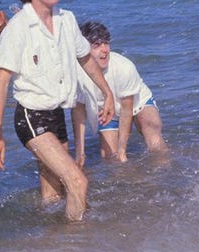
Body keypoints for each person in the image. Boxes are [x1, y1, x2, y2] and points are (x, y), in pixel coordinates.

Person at [0, 0, 115, 221]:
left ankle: (50, 248)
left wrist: (108, 93)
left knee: (53, 193)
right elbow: (0, 85)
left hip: (57, 114)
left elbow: (85, 59)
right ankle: (76, 242)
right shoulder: (18, 28)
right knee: (77, 181)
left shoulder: (67, 20)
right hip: (31, 117)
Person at [71, 21, 168, 164]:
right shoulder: (76, 74)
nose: (105, 50)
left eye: (106, 43)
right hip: (107, 111)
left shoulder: (124, 67)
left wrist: (122, 150)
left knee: (153, 136)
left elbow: (126, 110)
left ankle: (166, 173)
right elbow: (78, 113)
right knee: (111, 159)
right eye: (97, 45)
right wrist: (80, 153)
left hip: (137, 103)